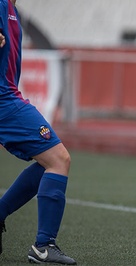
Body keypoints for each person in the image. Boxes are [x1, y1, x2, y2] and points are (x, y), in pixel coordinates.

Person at [0, 0, 76, 264]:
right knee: (58, 159)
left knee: (49, 163)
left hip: (7, 97)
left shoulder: (11, 6)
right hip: (3, 101)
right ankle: (44, 245)